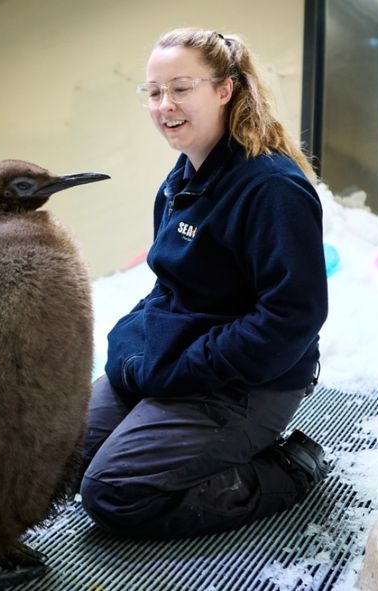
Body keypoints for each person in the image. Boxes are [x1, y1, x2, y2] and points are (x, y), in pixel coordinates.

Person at [78, 28, 330, 539]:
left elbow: (291, 318)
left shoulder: (272, 189)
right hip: (185, 362)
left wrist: (183, 368)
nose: (164, 105)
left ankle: (285, 470)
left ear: (225, 90)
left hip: (252, 380)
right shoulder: (182, 179)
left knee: (114, 491)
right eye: (153, 91)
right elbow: (169, 287)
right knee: (54, 452)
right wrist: (134, 346)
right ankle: (178, 437)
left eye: (181, 88)